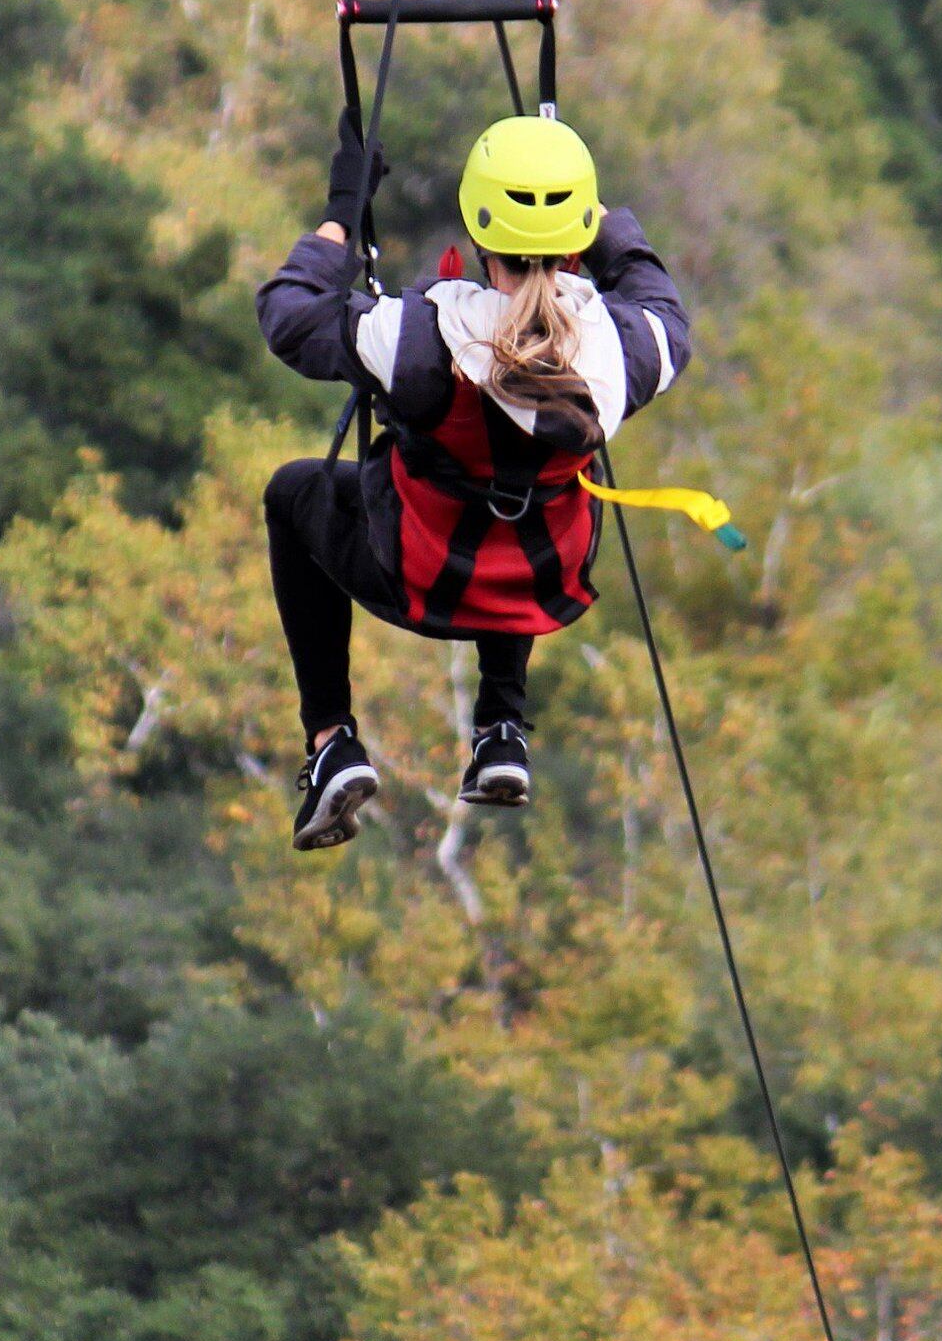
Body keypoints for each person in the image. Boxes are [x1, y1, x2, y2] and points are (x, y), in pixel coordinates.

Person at [255, 109, 691, 850]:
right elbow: (658, 299)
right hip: (542, 582)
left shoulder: (420, 338)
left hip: (417, 577)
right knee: (517, 509)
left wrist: (343, 214)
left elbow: (288, 314)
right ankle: (501, 728)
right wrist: (606, 222)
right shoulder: (626, 347)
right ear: (579, 242)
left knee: (295, 492)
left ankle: (331, 739)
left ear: (480, 238)